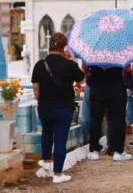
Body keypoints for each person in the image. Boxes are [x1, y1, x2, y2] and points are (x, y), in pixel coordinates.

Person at [32, 33, 85, 183]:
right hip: (64, 107)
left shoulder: (40, 64)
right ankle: (57, 174)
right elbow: (82, 79)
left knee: (46, 134)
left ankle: (46, 164)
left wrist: (41, 101)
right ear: (64, 47)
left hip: (45, 107)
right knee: (60, 139)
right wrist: (72, 60)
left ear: (50, 46)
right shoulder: (69, 64)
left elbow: (36, 87)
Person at [86, 63, 133, 161]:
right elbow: (127, 69)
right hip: (116, 88)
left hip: (97, 89)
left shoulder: (94, 53)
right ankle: (118, 150)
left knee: (95, 120)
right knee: (118, 119)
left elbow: (86, 71)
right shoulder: (119, 51)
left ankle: (94, 150)